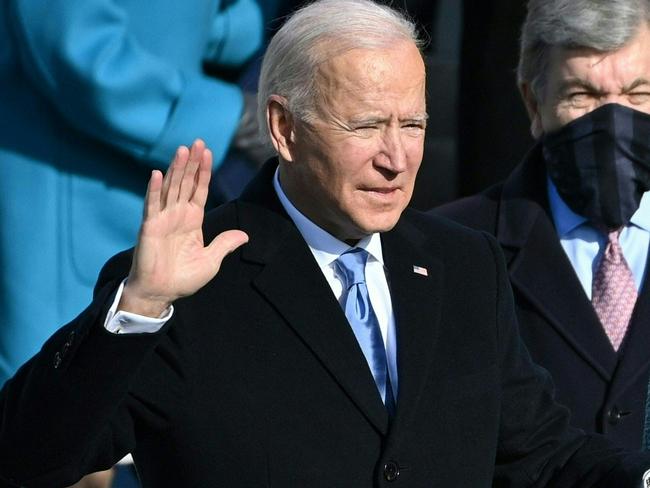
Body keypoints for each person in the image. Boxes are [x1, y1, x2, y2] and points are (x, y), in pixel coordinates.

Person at [2, 1, 650, 486]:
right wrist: (137, 307)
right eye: (367, 125)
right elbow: (30, 457)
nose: (396, 158)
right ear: (284, 128)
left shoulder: (463, 263)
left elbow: (541, 451)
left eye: (413, 124)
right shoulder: (187, 279)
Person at [0, 0, 271, 388]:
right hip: (68, 199)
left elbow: (178, 25)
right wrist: (233, 119)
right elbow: (74, 47)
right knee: (56, 400)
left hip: (163, 195)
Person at [435, 0, 650, 451]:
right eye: (582, 96)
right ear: (534, 103)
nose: (612, 120)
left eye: (638, 95)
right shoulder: (450, 249)